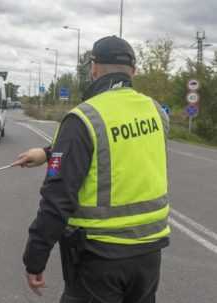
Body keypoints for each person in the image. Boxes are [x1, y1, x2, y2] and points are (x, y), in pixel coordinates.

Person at [13, 36, 170, 303]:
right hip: (149, 253)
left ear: (94, 69)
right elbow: (118, 142)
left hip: (98, 256)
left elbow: (57, 198)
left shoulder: (83, 118)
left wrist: (35, 259)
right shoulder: (155, 111)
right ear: (133, 71)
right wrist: (48, 152)